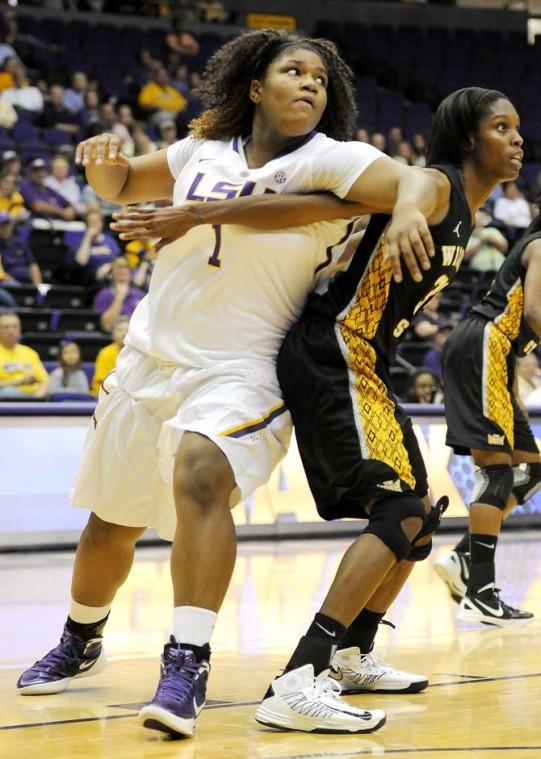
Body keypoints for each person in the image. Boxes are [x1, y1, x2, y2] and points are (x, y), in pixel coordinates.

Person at [15, 29, 456, 739]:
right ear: (255, 86)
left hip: (245, 365)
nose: (309, 84)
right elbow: (123, 183)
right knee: (112, 523)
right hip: (152, 355)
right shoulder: (199, 153)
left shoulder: (332, 160)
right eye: (292, 71)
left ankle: (186, 657)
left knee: (199, 475)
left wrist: (405, 205)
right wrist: (101, 161)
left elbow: (426, 183)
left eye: (319, 77)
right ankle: (81, 636)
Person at [258, 86, 524, 731]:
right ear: (467, 139)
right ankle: (297, 677)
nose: (517, 139)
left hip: (364, 356)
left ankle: (352, 654)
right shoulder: (435, 187)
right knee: (400, 510)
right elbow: (338, 199)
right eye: (500, 127)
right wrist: (202, 217)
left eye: (519, 128)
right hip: (335, 347)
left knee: (422, 519)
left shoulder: (472, 214)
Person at [433, 214, 541, 626]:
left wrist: (512, 393)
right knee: (496, 472)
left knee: (530, 470)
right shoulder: (540, 244)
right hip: (483, 345)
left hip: (496, 356)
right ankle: (480, 592)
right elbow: (532, 313)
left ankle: (463, 557)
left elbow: (519, 335)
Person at [0, 311, 48, 398]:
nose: (11, 331)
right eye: (6, 327)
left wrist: (36, 402)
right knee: (7, 392)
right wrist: (18, 381)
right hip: (7, 397)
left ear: (20, 329)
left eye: (15, 327)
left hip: (32, 395)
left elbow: (44, 381)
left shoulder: (29, 352)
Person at [93, 256, 145, 332]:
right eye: (119, 274)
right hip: (113, 333)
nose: (122, 278)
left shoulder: (138, 295)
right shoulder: (104, 294)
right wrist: (119, 297)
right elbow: (107, 325)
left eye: (125, 274)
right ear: (112, 276)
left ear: (130, 276)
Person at [0, 212, 42, 286]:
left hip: (26, 282)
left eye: (7, 225)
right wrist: (16, 285)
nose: (5, 228)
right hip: (7, 283)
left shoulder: (20, 242)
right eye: (2, 226)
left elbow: (33, 265)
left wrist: (37, 287)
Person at [90, 317, 129, 395]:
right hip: (107, 393)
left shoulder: (139, 353)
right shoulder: (105, 353)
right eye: (120, 330)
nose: (124, 333)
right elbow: (103, 381)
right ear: (113, 334)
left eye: (127, 330)